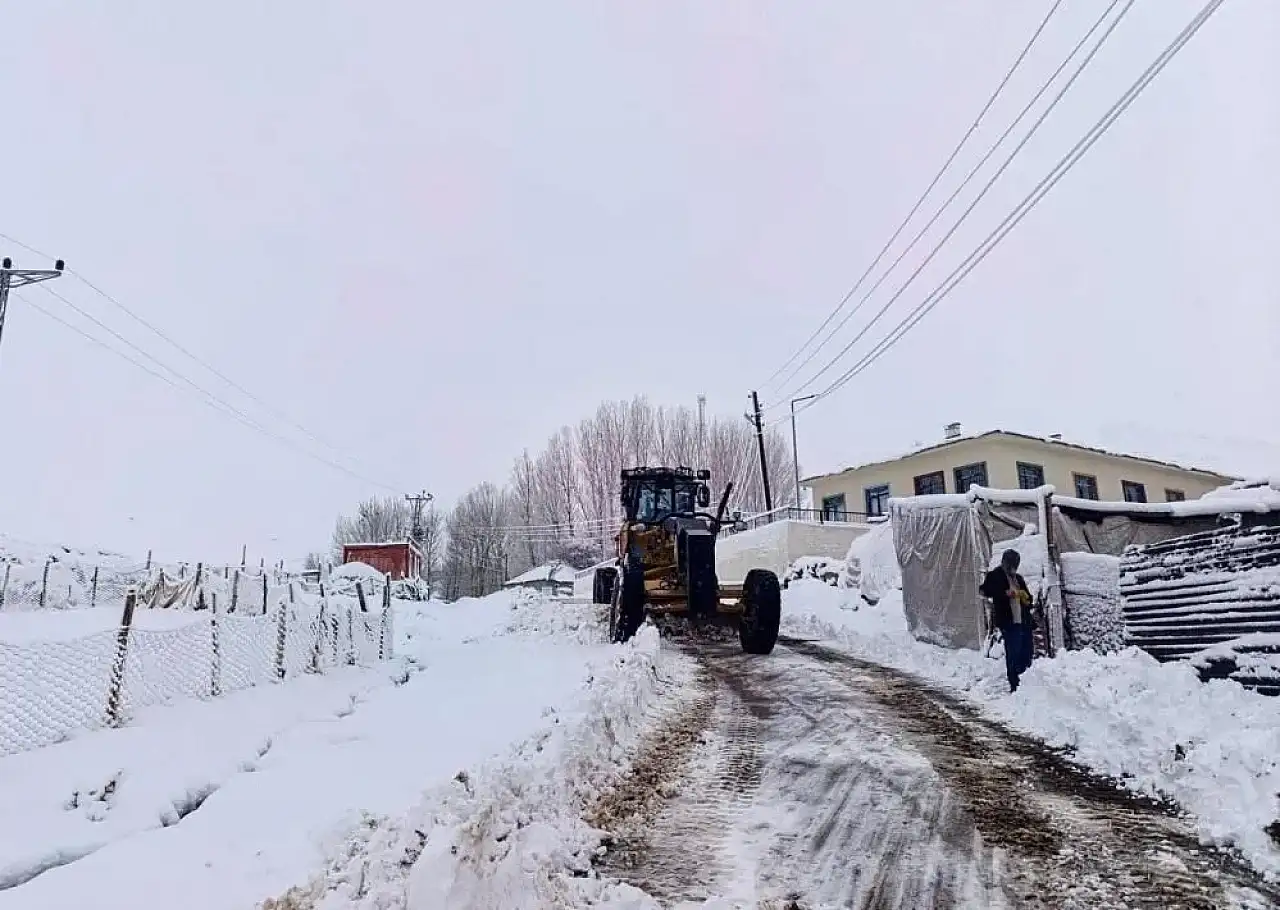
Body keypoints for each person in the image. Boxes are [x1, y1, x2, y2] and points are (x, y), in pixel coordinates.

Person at [980, 549, 1035, 692]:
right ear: (1005, 563)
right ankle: (1014, 684)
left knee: (1027, 652)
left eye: (1015, 565)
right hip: (1009, 622)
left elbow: (1029, 598)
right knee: (1013, 653)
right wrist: (1005, 593)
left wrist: (1026, 598)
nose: (1013, 569)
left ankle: (1026, 682)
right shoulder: (995, 576)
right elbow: (984, 591)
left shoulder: (1019, 579)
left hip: (1023, 622)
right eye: (1011, 565)